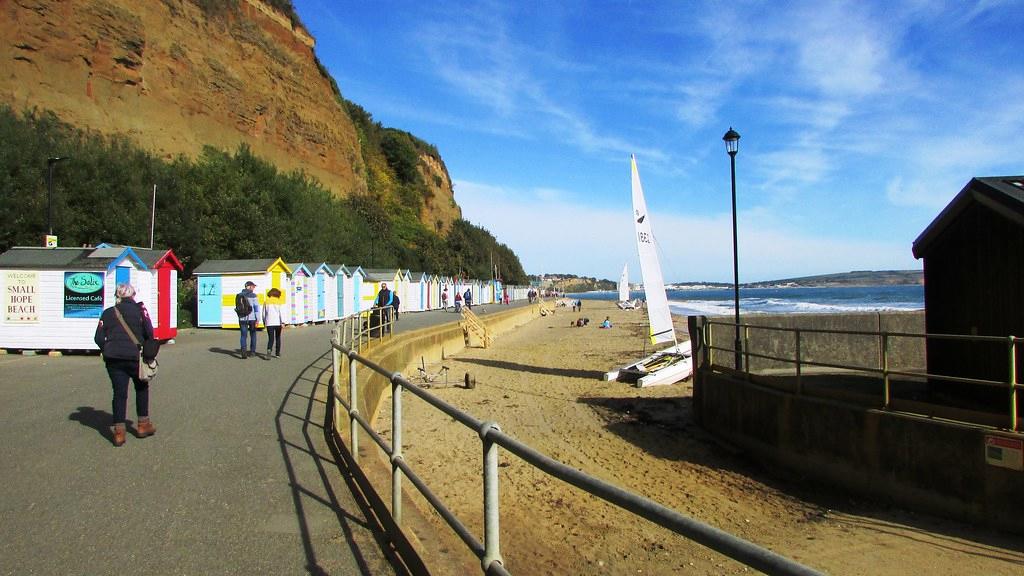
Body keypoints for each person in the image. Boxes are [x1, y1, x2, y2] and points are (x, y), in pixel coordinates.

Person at [94, 283, 155, 447]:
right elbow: (150, 333)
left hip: (113, 358)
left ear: (117, 296)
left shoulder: (107, 313)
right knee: (141, 388)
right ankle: (143, 425)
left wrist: (107, 349)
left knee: (119, 393)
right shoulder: (140, 311)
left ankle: (119, 432)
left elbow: (98, 338)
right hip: (135, 357)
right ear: (133, 295)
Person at [236, 281, 260, 359]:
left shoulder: (239, 295)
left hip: (242, 318)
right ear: (248, 286)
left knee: (243, 335)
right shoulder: (253, 296)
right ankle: (252, 352)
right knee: (253, 335)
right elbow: (256, 308)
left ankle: (243, 352)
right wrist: (258, 318)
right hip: (252, 318)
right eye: (253, 286)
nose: (253, 288)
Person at [263, 287, 284, 358]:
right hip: (277, 322)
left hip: (269, 322)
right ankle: (277, 353)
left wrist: (264, 322)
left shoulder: (266, 301)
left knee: (271, 338)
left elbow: (264, 314)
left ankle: (269, 350)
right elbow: (281, 313)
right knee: (278, 337)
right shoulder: (279, 301)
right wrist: (283, 322)